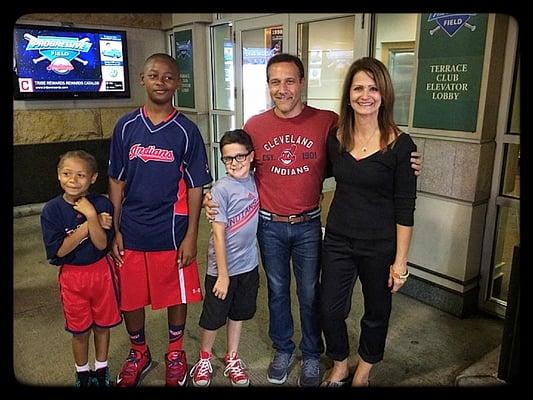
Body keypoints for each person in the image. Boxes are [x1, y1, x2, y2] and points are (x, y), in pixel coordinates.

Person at [204, 53, 422, 387]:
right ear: (268, 86)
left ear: (302, 82)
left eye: (290, 80)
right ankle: (282, 349)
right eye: (275, 82)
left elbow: (355, 168)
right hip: (270, 223)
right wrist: (213, 196)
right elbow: (239, 169)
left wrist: (406, 160)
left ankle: (310, 354)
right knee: (278, 291)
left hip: (309, 224)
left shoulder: (328, 124)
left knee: (309, 294)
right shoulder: (256, 127)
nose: (283, 89)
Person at [108, 53, 212, 387]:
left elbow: (196, 186)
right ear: (142, 79)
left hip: (172, 231)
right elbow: (116, 180)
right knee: (131, 297)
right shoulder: (126, 126)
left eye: (168, 77)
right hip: (133, 229)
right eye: (154, 75)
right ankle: (139, 352)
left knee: (175, 295)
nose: (161, 82)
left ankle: (176, 352)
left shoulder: (186, 130)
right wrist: (115, 229)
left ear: (178, 83)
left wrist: (192, 235)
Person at [319, 57, 417, 387]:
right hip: (338, 240)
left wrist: (400, 262)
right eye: (358, 87)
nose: (366, 95)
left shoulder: (401, 146)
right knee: (330, 309)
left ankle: (363, 371)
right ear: (348, 95)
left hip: (380, 246)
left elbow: (406, 207)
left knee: (376, 313)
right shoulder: (336, 139)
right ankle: (340, 363)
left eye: (373, 88)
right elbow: (309, 174)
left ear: (384, 94)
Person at [40, 150, 120, 387]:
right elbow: (59, 251)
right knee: (79, 330)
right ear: (58, 175)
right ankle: (82, 373)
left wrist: (93, 214)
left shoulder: (102, 203)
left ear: (93, 178)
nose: (73, 180)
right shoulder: (52, 211)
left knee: (102, 326)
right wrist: (89, 222)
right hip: (72, 277)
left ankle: (102, 369)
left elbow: (101, 244)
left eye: (81, 175)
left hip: (101, 273)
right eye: (66, 174)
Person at [189, 129, 259, 387]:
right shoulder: (220, 189)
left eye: (239, 157)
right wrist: (223, 275)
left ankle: (232, 357)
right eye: (227, 159)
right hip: (222, 271)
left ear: (251, 156)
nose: (234, 164)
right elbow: (218, 235)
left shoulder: (255, 180)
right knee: (213, 316)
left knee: (238, 314)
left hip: (248, 266)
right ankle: (205, 357)